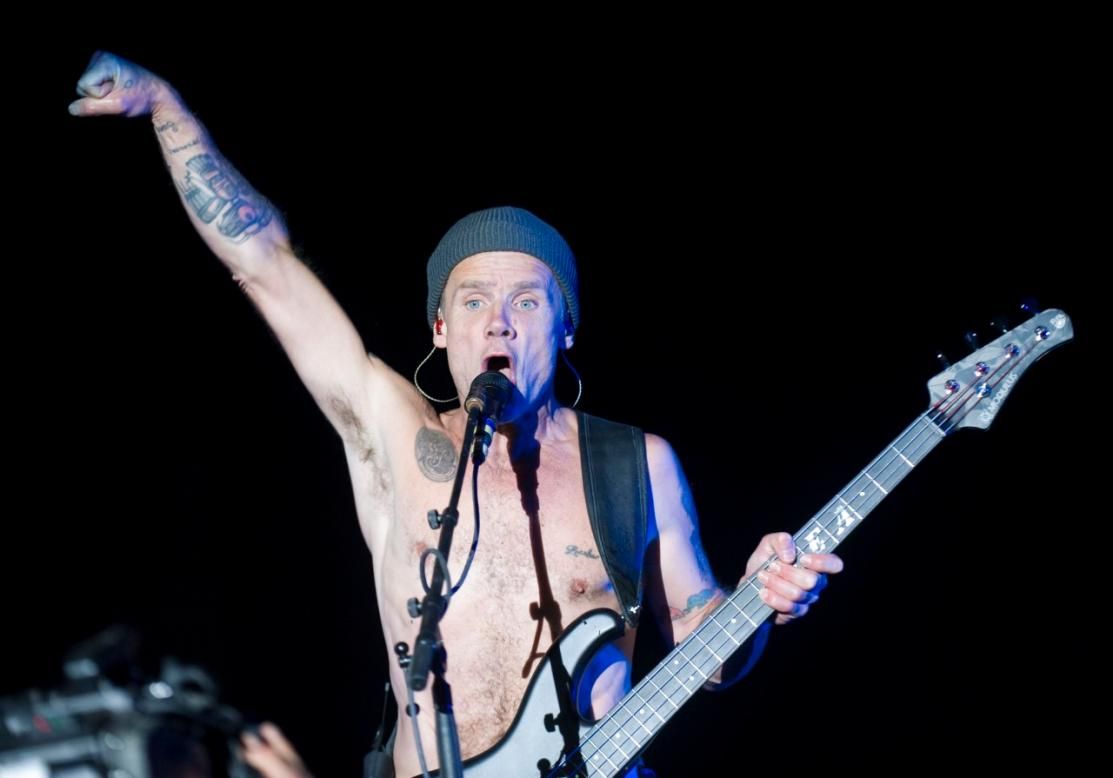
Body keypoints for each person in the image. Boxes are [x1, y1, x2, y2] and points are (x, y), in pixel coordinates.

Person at [70, 51, 844, 778]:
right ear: (440, 328)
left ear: (565, 327)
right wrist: (164, 108)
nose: (497, 322)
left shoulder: (634, 463)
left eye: (526, 301)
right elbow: (264, 265)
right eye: (472, 301)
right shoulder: (395, 434)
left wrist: (756, 605)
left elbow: (707, 658)